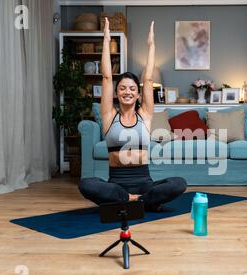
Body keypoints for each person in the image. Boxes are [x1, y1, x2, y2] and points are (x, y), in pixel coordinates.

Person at [79, 18, 187, 212]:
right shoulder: (109, 116)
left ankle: (133, 201)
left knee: (178, 183)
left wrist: (151, 45)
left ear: (138, 94)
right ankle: (136, 200)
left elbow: (149, 77)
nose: (127, 92)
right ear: (116, 93)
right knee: (86, 184)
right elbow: (106, 77)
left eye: (131, 89)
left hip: (144, 183)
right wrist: (106, 40)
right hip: (116, 184)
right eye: (122, 88)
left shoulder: (145, 115)